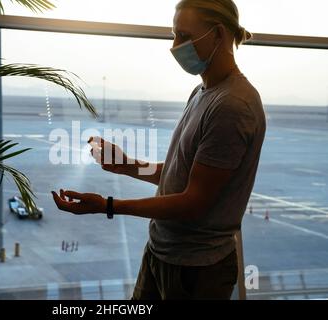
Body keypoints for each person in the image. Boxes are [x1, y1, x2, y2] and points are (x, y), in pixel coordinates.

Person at [52, 0, 266, 300]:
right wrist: (126, 165)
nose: (175, 46)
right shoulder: (202, 93)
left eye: (184, 36)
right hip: (162, 254)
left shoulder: (232, 106)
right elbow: (181, 177)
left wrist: (108, 206)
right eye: (174, 35)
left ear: (218, 34)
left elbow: (193, 203)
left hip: (195, 271)